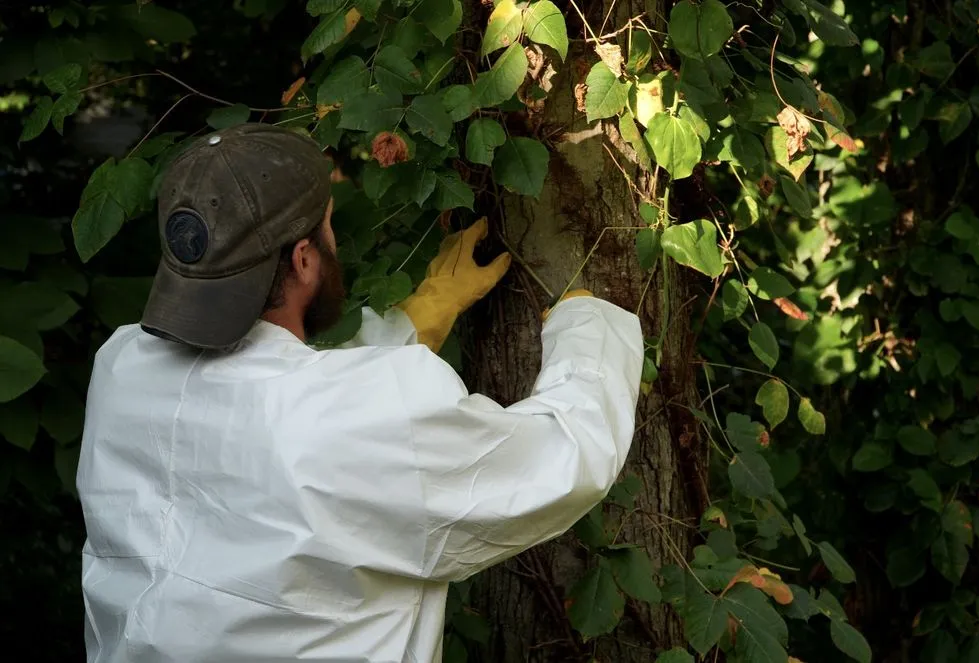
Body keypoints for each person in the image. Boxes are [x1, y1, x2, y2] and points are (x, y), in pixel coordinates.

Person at [76, 123, 644, 662]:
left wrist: (416, 319)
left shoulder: (122, 371)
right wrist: (591, 326)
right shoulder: (368, 416)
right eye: (326, 229)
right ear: (303, 259)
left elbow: (261, 403)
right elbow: (564, 460)